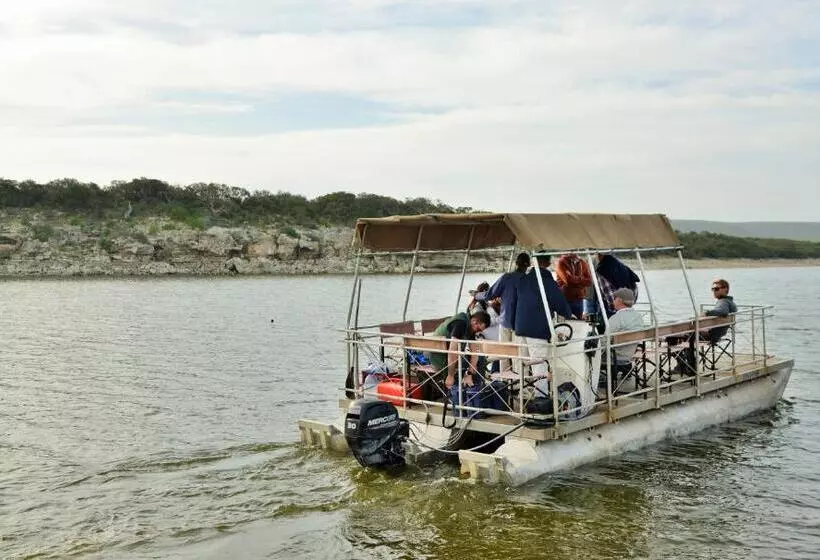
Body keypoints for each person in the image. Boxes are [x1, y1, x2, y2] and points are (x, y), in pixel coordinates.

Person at [513, 256, 574, 378]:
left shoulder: (522, 280)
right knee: (539, 364)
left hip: (520, 328)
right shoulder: (547, 282)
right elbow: (560, 304)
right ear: (547, 263)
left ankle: (521, 393)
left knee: (521, 365)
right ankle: (540, 396)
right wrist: (569, 314)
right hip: (537, 329)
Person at [474, 252, 530, 372]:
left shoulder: (507, 277)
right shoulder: (528, 280)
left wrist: (476, 295)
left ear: (516, 264)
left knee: (504, 353)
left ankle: (504, 381)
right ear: (528, 265)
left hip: (505, 321)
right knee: (519, 355)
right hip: (520, 324)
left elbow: (489, 294)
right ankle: (518, 385)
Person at [672, 278, 738, 374]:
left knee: (674, 338)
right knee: (685, 336)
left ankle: (686, 366)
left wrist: (707, 313)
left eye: (716, 289)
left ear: (725, 289)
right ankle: (686, 365)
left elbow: (723, 311)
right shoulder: (730, 302)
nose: (714, 291)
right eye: (713, 289)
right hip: (717, 334)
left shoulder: (723, 302)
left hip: (711, 335)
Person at [425, 311, 491, 391]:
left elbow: (474, 353)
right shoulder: (460, 324)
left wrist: (469, 373)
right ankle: (463, 392)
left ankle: (474, 390)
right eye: (478, 329)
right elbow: (452, 351)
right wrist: (450, 376)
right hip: (438, 357)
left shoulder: (470, 326)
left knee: (480, 358)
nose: (478, 332)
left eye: (480, 331)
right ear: (474, 321)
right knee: (475, 361)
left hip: (448, 357)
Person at [604, 288, 645, 389]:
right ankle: (626, 371)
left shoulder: (616, 319)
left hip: (614, 357)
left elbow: (605, 341)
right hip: (629, 354)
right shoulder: (638, 317)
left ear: (619, 301)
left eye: (614, 298)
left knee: (589, 351)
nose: (613, 300)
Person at [583, 253, 641, 320]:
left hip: (613, 311)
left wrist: (615, 309)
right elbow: (634, 287)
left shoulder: (602, 270)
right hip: (627, 307)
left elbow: (610, 297)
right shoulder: (620, 265)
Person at [555, 253, 592, 319]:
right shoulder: (561, 262)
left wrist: (575, 279)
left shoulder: (582, 262)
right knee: (566, 324)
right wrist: (581, 279)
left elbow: (589, 281)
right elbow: (568, 280)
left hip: (579, 300)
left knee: (578, 324)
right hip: (565, 300)